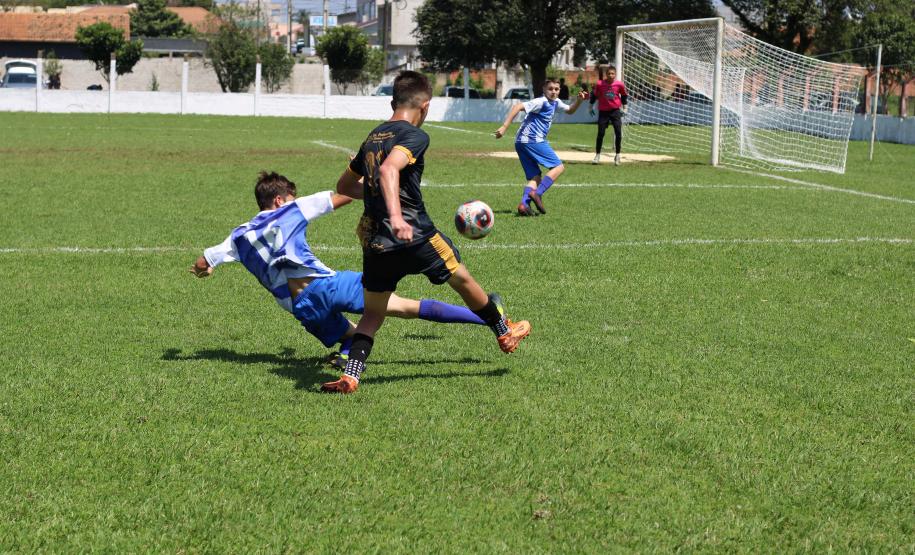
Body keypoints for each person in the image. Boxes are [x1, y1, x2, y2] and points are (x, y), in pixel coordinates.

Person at [324, 70, 531, 394]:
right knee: (463, 280)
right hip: (415, 234)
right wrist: (397, 216)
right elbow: (390, 168)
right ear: (425, 107)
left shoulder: (372, 137)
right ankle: (505, 331)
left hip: (375, 241)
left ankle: (352, 374)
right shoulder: (415, 135)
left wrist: (377, 196)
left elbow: (345, 186)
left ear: (393, 101)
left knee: (373, 314)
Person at [189, 171, 493, 369]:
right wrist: (370, 179)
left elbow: (204, 261)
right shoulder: (290, 210)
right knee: (403, 307)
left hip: (301, 308)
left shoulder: (238, 236)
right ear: (279, 200)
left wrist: (206, 269)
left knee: (349, 335)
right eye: (291, 198)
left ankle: (347, 351)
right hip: (327, 285)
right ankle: (489, 315)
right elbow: (344, 196)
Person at [494, 79, 588, 216]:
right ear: (544, 89)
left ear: (560, 90)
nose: (553, 91)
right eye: (550, 89)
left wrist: (579, 100)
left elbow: (570, 110)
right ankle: (537, 193)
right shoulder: (541, 101)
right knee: (558, 167)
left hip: (520, 142)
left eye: (556, 89)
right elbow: (518, 106)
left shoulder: (556, 103)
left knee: (535, 176)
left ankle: (524, 205)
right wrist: (504, 127)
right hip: (532, 140)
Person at [589, 64, 628, 166]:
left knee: (618, 133)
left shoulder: (620, 85)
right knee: (601, 133)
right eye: (609, 73)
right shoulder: (600, 84)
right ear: (606, 74)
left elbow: (624, 95)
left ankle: (618, 155)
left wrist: (625, 107)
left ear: (615, 75)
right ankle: (597, 155)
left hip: (615, 111)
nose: (611, 75)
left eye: (613, 73)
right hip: (603, 112)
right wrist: (590, 106)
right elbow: (595, 95)